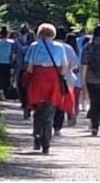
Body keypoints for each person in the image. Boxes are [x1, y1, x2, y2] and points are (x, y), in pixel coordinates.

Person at [22, 23, 72, 154]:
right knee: (49, 113)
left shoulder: (34, 46)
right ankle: (46, 143)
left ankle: (37, 137)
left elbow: (29, 67)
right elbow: (64, 67)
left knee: (37, 111)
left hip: (38, 79)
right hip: (53, 81)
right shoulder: (60, 47)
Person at [0, 26, 15, 100]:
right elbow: (13, 54)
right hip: (7, 63)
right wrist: (12, 62)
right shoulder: (12, 43)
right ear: (8, 34)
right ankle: (3, 92)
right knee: (6, 79)